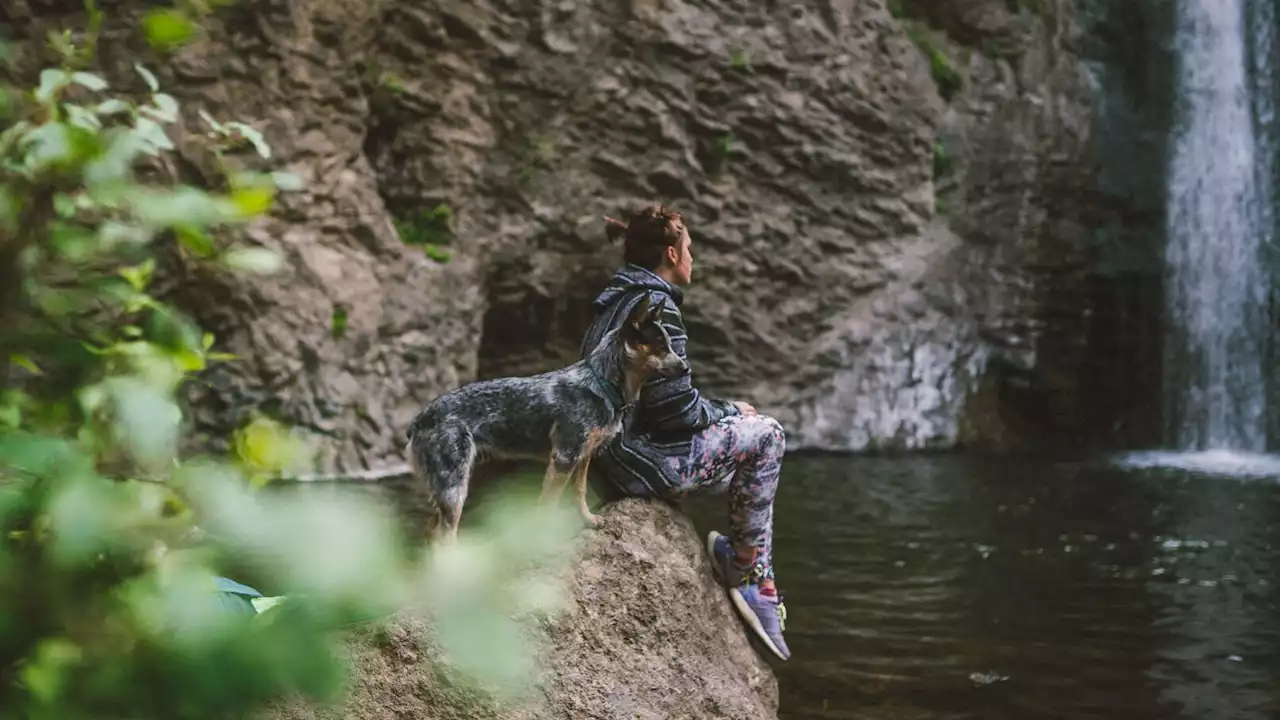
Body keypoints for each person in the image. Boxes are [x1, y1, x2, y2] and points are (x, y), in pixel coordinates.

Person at [580, 205, 791, 661]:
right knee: (768, 434)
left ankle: (744, 560)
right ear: (673, 253)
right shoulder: (656, 308)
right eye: (690, 249)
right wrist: (728, 409)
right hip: (640, 460)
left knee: (740, 432)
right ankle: (752, 577)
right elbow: (675, 412)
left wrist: (720, 414)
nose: (693, 258)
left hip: (610, 455)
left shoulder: (614, 300)